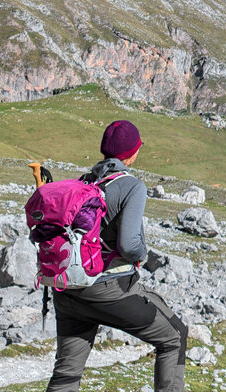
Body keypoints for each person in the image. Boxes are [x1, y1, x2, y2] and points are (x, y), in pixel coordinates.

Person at [47, 120, 187, 392]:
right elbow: (129, 244)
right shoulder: (131, 186)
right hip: (108, 290)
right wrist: (143, 255)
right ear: (132, 153)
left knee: (67, 371)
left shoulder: (83, 182)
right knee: (175, 337)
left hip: (69, 288)